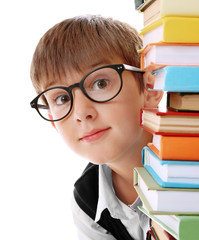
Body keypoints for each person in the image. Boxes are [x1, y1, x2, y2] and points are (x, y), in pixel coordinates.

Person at [29, 15, 163, 239]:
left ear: (150, 88)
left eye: (100, 83)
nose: (82, 113)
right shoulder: (87, 201)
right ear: (52, 119)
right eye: (62, 99)